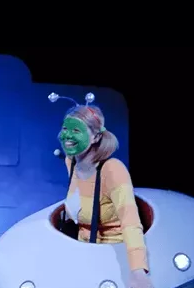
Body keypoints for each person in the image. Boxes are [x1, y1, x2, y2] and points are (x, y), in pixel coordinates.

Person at [57, 102, 154, 288]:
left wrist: (138, 271)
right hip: (85, 251)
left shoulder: (112, 170)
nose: (67, 135)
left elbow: (131, 222)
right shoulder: (71, 162)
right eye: (65, 129)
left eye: (76, 130)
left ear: (95, 137)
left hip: (114, 253)